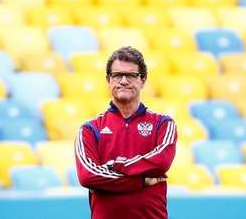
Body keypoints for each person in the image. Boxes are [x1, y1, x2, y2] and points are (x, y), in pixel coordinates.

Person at [75, 46, 177, 219]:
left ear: (143, 80)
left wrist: (115, 166)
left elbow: (161, 162)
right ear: (109, 80)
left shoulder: (163, 124)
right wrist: (141, 181)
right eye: (117, 75)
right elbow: (88, 177)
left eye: (130, 75)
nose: (123, 81)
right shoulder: (90, 129)